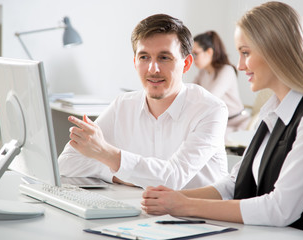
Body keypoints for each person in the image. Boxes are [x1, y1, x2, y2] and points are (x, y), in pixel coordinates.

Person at [141, 2, 303, 239]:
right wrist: (175, 196)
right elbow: (235, 185)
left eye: (245, 53)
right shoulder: (271, 112)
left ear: (276, 50)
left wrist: (183, 206)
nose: (240, 65)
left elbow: (279, 209)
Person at [58, 14, 229, 190]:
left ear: (186, 64)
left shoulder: (210, 109)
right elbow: (67, 162)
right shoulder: (123, 105)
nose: (152, 69)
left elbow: (172, 179)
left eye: (164, 58)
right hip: (142, 209)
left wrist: (105, 154)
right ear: (135, 62)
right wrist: (128, 174)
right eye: (144, 57)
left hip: (199, 215)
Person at [192, 31, 250, 134]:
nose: (192, 59)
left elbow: (210, 99)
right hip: (220, 123)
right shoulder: (203, 72)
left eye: (195, 54)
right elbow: (190, 94)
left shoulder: (226, 70)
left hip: (237, 124)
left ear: (209, 52)